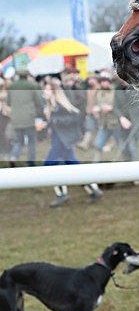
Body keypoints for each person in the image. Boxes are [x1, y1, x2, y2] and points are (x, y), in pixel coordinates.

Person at [43, 78, 103, 207]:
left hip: (63, 140)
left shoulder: (61, 103)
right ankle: (93, 188)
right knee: (73, 166)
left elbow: (75, 116)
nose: (45, 92)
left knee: (49, 165)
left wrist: (57, 121)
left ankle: (61, 194)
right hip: (60, 139)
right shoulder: (50, 105)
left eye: (47, 90)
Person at [7, 68, 45, 166]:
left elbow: (8, 102)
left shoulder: (11, 86)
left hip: (16, 117)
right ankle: (31, 162)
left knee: (18, 141)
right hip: (29, 117)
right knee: (31, 141)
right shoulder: (32, 86)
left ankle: (14, 157)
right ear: (27, 75)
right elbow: (39, 101)